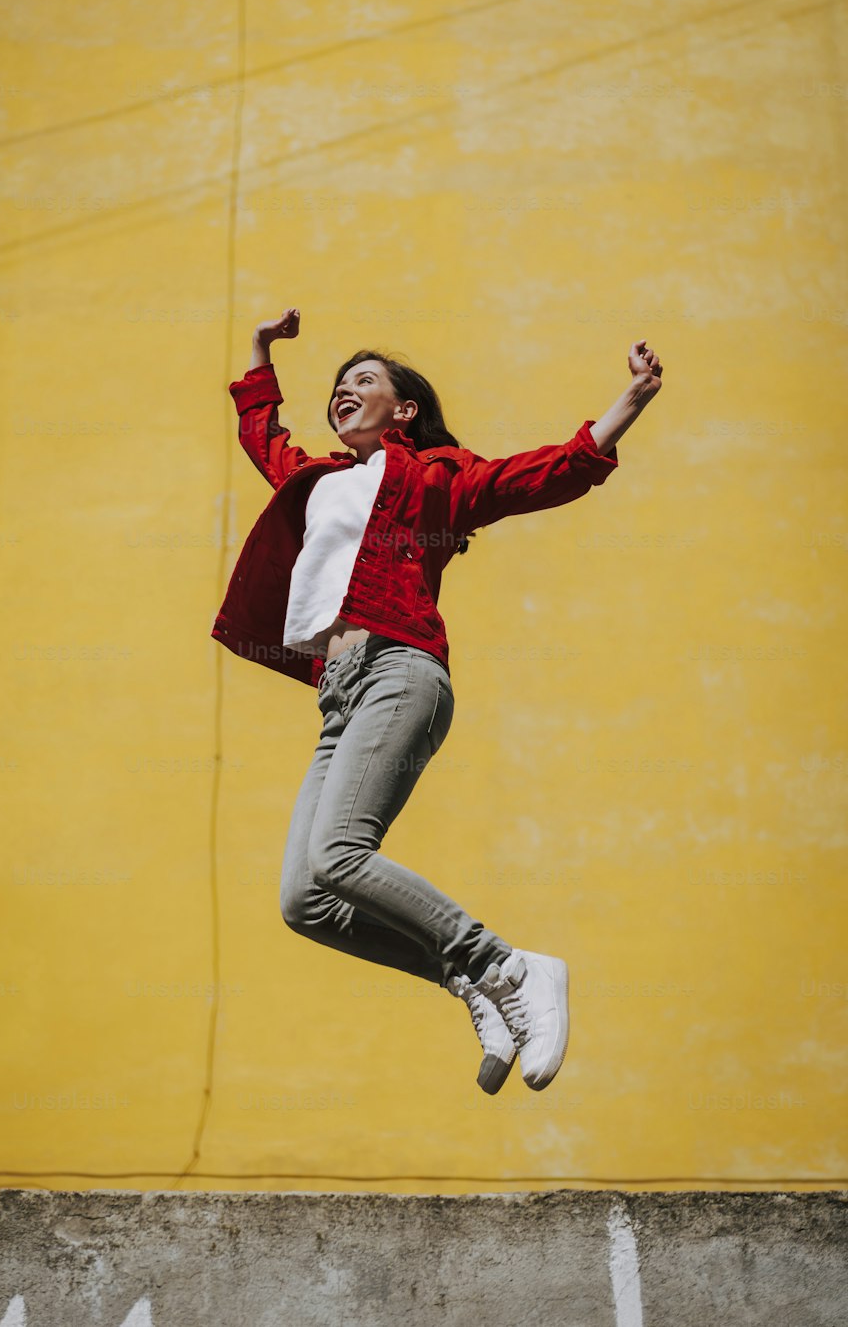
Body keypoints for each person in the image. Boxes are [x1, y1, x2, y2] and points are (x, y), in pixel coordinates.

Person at [211, 308, 663, 1094]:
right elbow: (263, 434)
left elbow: (540, 474)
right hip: (341, 694)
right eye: (337, 386)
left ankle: (510, 966)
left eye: (363, 382)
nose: (343, 392)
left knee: (339, 856)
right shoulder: (316, 480)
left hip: (400, 668)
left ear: (404, 409)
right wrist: (258, 351)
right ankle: (471, 980)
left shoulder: (432, 477)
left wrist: (630, 403)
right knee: (305, 901)